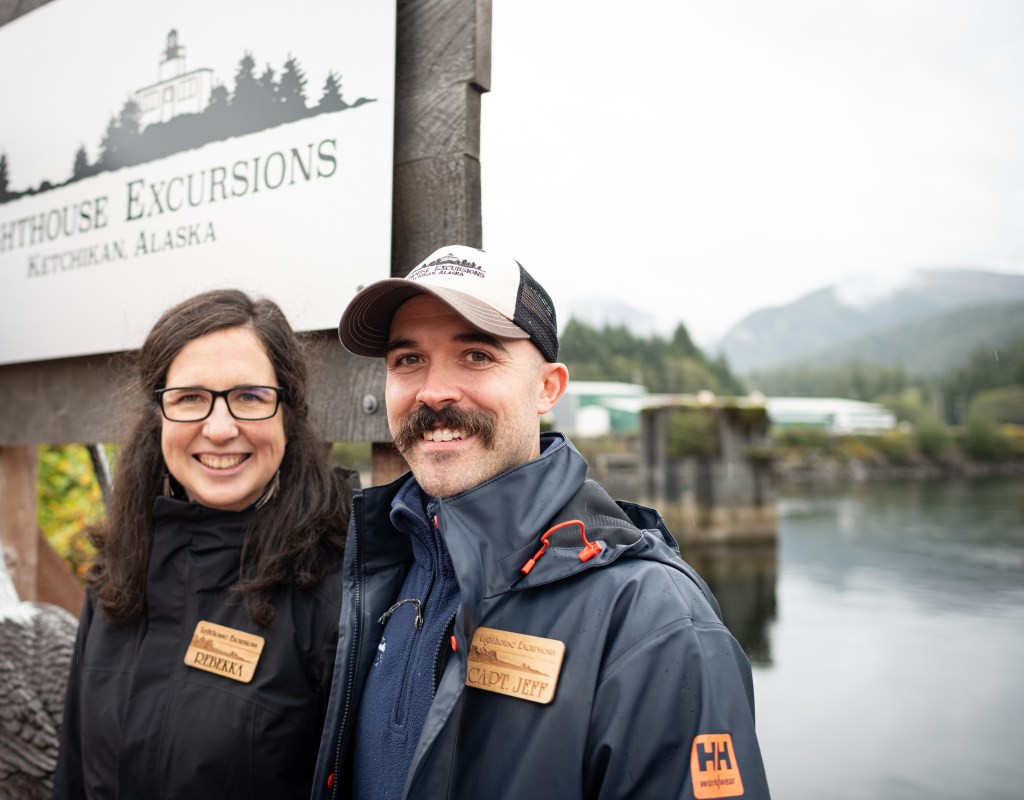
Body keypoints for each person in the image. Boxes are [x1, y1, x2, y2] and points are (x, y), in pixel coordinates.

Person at [312, 245, 769, 799]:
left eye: (477, 355)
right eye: (408, 360)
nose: (433, 391)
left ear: (548, 389)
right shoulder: (382, 565)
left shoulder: (655, 621)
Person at [53, 290, 352, 799]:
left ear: (288, 413)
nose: (219, 428)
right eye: (191, 398)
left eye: (250, 397)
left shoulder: (337, 589)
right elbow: (74, 776)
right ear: (160, 414)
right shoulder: (118, 574)